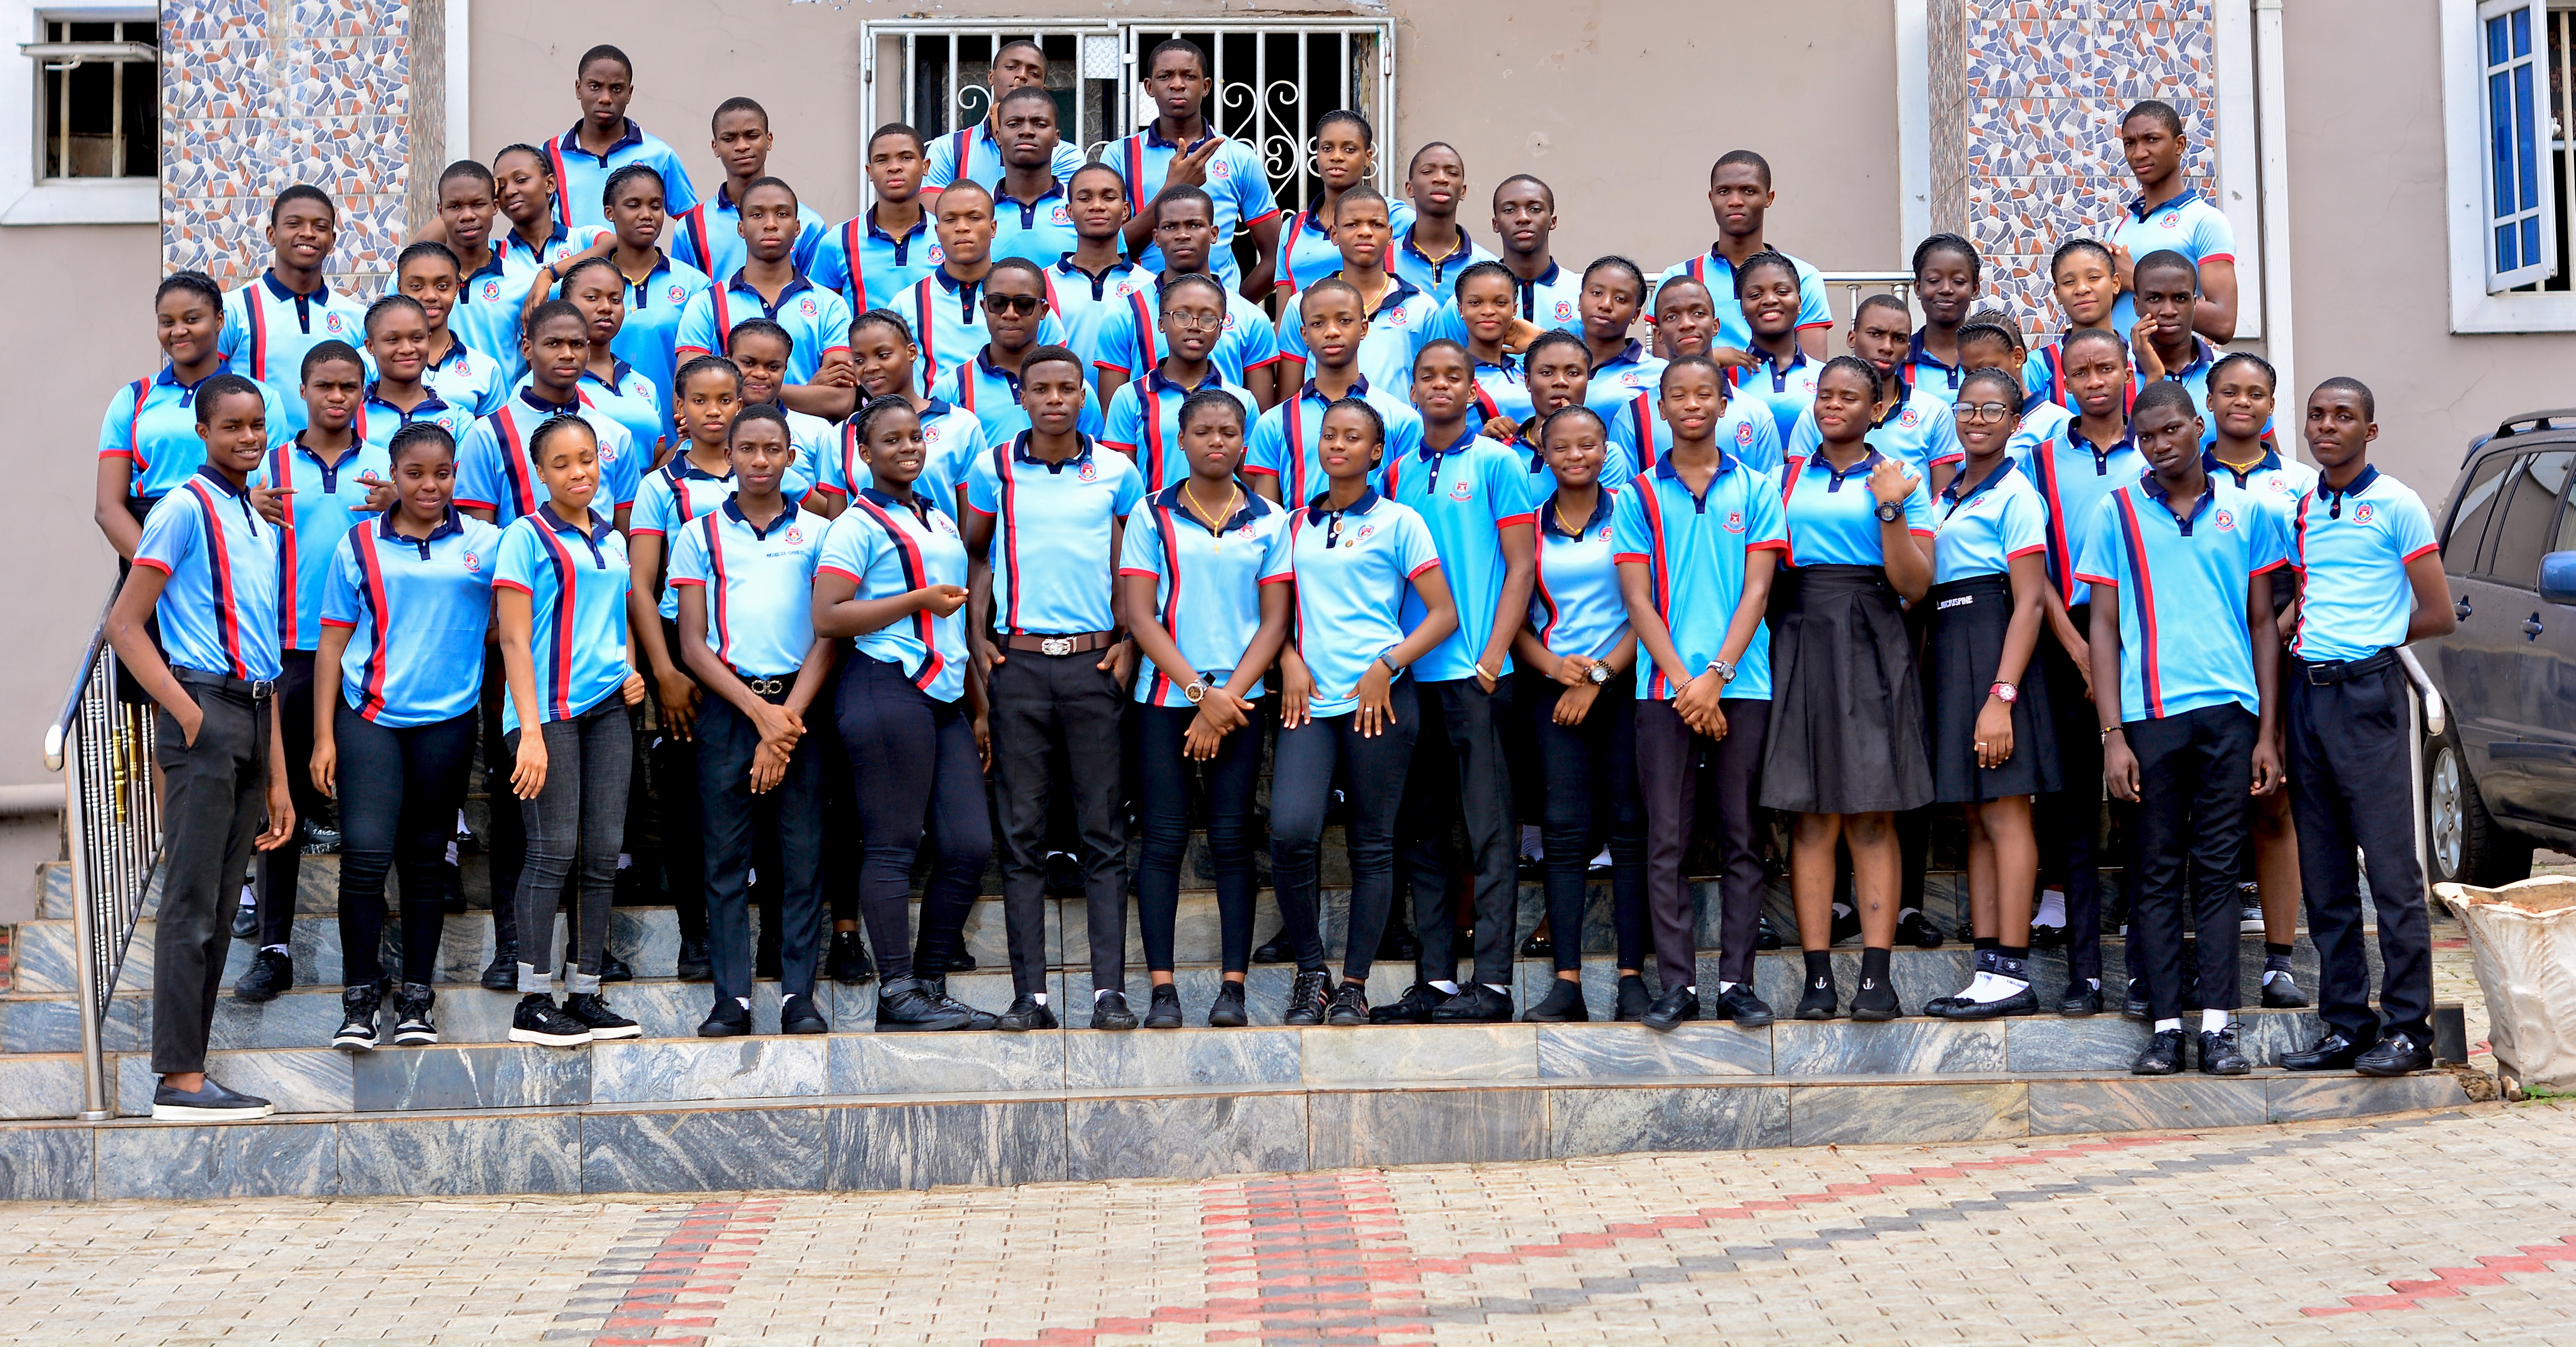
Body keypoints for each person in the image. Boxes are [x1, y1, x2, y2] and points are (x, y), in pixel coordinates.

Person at [2080, 380, 2284, 1076]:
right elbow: (2102, 627)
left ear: (2199, 426)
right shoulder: (2114, 512)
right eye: (2147, 436)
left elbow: (2264, 622)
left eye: (2172, 430)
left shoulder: (2249, 510)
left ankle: (2219, 1029)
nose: (2161, 445)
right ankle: (2167, 1028)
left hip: (2231, 715)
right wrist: (2112, 735)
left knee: (2221, 873)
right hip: (2148, 720)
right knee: (2157, 874)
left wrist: (2267, 732)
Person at [105, 374, 295, 1119]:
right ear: (204, 431)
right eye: (232, 427)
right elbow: (125, 625)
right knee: (190, 903)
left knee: (217, 906)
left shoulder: (253, 516)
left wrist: (279, 778)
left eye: (256, 425)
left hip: (254, 711)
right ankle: (178, 1079)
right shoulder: (183, 508)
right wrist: (188, 716)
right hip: (206, 710)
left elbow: (266, 652)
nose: (248, 438)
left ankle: (193, 1072)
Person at [961, 345, 1145, 1030]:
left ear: (1083, 395)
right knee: (1022, 834)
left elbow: (1136, 562)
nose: (1055, 400)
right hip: (1020, 663)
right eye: (1041, 389)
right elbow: (977, 553)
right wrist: (978, 640)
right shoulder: (995, 468)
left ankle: (1108, 995)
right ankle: (1030, 997)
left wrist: (1129, 643)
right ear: (1022, 395)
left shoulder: (1116, 470)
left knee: (1102, 832)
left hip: (1093, 665)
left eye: (1068, 388)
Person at [2278, 379, 2454, 1078]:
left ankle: (2410, 1030)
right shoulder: (2302, 506)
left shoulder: (2397, 504)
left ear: (2369, 431)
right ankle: (2346, 1025)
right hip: (2307, 695)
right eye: (2317, 416)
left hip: (2369, 695)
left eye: (2343, 417)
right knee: (2325, 875)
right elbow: (2305, 593)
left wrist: (2371, 639)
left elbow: (2438, 612)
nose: (2327, 427)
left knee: (2390, 871)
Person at [311, 423, 502, 1048]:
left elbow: (516, 618)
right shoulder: (359, 543)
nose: (429, 485)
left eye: (442, 473)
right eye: (415, 473)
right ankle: (360, 999)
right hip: (369, 717)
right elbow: (332, 641)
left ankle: (417, 997)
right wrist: (323, 737)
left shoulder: (487, 543)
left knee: (425, 861)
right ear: (393, 475)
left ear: (456, 475)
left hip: (447, 721)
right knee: (366, 856)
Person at [814, 395, 998, 1031]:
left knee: (969, 846)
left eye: (915, 437)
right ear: (864, 453)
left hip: (944, 695)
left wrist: (978, 706)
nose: (908, 448)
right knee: (893, 845)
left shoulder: (937, 516)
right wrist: (916, 598)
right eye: (891, 440)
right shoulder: (855, 524)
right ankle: (897, 991)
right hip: (884, 684)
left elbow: (957, 622)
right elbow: (828, 615)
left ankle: (930, 984)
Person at [1269, 397, 1456, 1024]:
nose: (1338, 445)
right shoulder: (1290, 523)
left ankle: (1353, 985)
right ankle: (1311, 975)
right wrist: (1288, 659)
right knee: (1291, 831)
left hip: (1378, 701)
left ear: (1376, 452)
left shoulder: (1399, 521)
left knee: (1373, 844)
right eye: (1330, 435)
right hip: (1309, 701)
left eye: (1353, 437)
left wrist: (1388, 664)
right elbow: (1275, 615)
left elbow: (1442, 614)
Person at [1617, 355, 1787, 1030]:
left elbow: (1759, 589)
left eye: (1705, 394)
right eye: (1678, 395)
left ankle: (1738, 985)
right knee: (1668, 841)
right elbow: (1637, 601)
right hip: (1663, 690)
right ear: (1660, 408)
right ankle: (1678, 986)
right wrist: (1688, 684)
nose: (1692, 404)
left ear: (1724, 405)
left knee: (1744, 836)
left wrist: (1716, 675)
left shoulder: (1757, 487)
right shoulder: (1637, 495)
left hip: (1742, 683)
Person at [1119, 389, 1295, 1028]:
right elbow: (1140, 616)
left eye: (1228, 432)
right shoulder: (1151, 513)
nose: (1216, 441)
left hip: (1240, 702)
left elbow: (1275, 621)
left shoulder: (1271, 518)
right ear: (1182, 440)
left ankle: (1233, 989)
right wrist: (1201, 695)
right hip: (1166, 699)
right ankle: (1163, 992)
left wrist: (1226, 701)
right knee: (1163, 841)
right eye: (1203, 431)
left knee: (1231, 840)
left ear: (1244, 442)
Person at [1767, 356, 1936, 1022]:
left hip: (1872, 631)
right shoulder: (1784, 477)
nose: (1833, 406)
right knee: (1811, 814)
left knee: (1872, 811)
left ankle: (1876, 977)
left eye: (1849, 397)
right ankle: (1816, 977)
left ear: (1877, 409)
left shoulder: (1901, 476)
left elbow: (1914, 584)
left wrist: (1889, 505)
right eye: (1825, 395)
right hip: (1801, 630)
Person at [1373, 340, 1537, 1023]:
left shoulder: (1498, 462)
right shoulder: (1397, 471)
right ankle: (1437, 980)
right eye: (1427, 377)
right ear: (1412, 391)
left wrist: (1493, 658)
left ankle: (1493, 985)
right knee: (1422, 832)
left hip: (1477, 676)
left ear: (1473, 391)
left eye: (1454, 377)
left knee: (1491, 831)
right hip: (1413, 676)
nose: (1440, 386)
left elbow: (1522, 565)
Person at [668, 404, 836, 1036]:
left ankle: (798, 996)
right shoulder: (700, 534)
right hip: (731, 705)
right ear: (729, 456)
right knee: (725, 857)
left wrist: (784, 721)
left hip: (801, 707)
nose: (760, 461)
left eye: (772, 450)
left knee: (802, 854)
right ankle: (731, 999)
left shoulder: (819, 532)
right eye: (748, 449)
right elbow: (691, 645)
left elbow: (829, 633)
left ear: (791, 457)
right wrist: (760, 715)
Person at [230, 341, 382, 1003]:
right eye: (325, 385)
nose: (337, 397)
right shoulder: (267, 465)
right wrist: (249, 505)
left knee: (373, 813)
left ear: (363, 391)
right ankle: (275, 948)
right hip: (289, 651)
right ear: (303, 390)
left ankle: (374, 958)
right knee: (281, 803)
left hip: (369, 655)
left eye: (349, 386)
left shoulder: (386, 464)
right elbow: (223, 535)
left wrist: (399, 505)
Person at [492, 414, 649, 1047]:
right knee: (552, 850)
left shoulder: (611, 537)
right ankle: (533, 1001)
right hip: (547, 714)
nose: (578, 472)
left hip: (608, 710)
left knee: (602, 853)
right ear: (540, 473)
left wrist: (630, 668)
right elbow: (513, 639)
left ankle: (585, 993)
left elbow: (617, 615)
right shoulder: (524, 536)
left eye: (586, 459)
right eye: (561, 463)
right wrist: (529, 732)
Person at [1922, 366, 2059, 1020]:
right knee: (1976, 815)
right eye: (1967, 409)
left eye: (1992, 410)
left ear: (2015, 421)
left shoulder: (2017, 494)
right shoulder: (1947, 491)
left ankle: (2014, 970)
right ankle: (1986, 969)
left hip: (1994, 643)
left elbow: (2029, 600)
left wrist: (2002, 694)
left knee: (2006, 812)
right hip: (1950, 645)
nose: (1977, 420)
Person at [2016, 326, 2145, 1013]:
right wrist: (2077, 650)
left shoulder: (2156, 449)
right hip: (2065, 641)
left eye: (2106, 369)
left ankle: (2148, 971)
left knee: (2144, 811)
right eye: (2081, 372)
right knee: (2071, 815)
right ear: (2063, 381)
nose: (2095, 382)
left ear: (2127, 372)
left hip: (2144, 646)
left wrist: (2118, 654)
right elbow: (2032, 568)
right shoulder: (2038, 459)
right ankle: (2084, 974)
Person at [1510, 405, 1642, 1023]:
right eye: (1561, 446)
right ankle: (1567, 984)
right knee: (1562, 832)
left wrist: (1598, 678)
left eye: (1587, 445)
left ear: (1605, 449)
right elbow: (1513, 619)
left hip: (1623, 685)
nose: (1575, 456)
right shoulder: (1528, 526)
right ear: (1543, 452)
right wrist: (1551, 666)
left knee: (1628, 828)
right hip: (1553, 692)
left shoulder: (1633, 513)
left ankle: (1632, 979)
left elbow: (1651, 609)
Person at [629, 355, 754, 980]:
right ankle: (694, 935)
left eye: (725, 399)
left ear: (741, 404)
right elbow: (640, 586)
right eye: (699, 400)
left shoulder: (766, 471)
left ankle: (767, 934)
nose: (713, 411)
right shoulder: (662, 487)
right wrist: (665, 672)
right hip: (685, 651)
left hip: (755, 648)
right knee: (686, 798)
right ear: (678, 407)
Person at [2198, 351, 2314, 1003]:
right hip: (2204, 659)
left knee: (2274, 804)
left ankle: (2279, 961)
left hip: (2279, 649)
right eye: (2229, 391)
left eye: (2256, 393)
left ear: (2272, 404)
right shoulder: (2180, 475)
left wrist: (2278, 628)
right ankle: (2195, 957)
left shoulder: (2298, 482)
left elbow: (2313, 567)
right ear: (2208, 400)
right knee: (2200, 810)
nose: (2241, 402)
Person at [98, 274, 292, 563]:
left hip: (234, 553)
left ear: (219, 321)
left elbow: (272, 493)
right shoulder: (132, 399)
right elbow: (108, 508)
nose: (178, 331)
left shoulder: (262, 399)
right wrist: (157, 570)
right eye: (167, 322)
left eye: (192, 319)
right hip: (148, 548)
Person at [673, 177, 857, 419]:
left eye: (782, 214)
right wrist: (804, 390)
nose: (771, 224)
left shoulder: (830, 305)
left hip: (807, 441)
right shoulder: (706, 304)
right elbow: (687, 398)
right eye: (757, 215)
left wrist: (740, 392)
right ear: (741, 228)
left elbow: (841, 401)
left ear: (798, 227)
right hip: (730, 441)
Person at [1112, 37, 1283, 297]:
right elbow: (1110, 252)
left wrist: (1232, 306)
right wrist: (1174, 187)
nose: (1177, 84)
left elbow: (1277, 257)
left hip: (1218, 316)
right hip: (1143, 308)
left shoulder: (1239, 156)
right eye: (1165, 76)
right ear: (1149, 87)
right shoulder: (1120, 155)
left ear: (1205, 87)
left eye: (1189, 76)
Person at [457, 300, 643, 530]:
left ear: (587, 351)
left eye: (576, 345)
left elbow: (625, 536)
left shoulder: (616, 435)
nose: (567, 354)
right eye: (553, 344)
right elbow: (478, 534)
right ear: (527, 349)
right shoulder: (489, 433)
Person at [1093, 185, 1283, 409]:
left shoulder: (1251, 318)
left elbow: (1259, 420)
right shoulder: (1123, 314)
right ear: (1156, 238)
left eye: (1194, 225)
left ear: (1214, 234)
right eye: (1170, 227)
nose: (1182, 235)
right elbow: (1113, 416)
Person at [1244, 275, 1425, 499]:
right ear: (1304, 335)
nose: (1332, 331)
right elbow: (1268, 514)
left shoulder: (1402, 419)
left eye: (1345, 320)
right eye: (1318, 323)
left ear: (1364, 329)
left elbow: (1410, 503)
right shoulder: (1274, 423)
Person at [888, 179, 1070, 389]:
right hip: (934, 410)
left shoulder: (1027, 303)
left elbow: (1060, 372)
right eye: (950, 220)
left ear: (993, 228)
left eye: (974, 218)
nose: (962, 228)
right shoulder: (907, 303)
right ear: (937, 232)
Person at [808, 309, 984, 522]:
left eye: (883, 355)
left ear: (912, 353)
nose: (870, 367)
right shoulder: (842, 435)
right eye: (860, 360)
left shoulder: (961, 425)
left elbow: (971, 529)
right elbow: (838, 525)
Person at [1653, 151, 1832, 356]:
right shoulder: (1677, 277)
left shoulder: (1804, 276)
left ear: (1769, 198)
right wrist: (1715, 359)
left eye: (1748, 191)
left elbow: (1811, 370)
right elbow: (1668, 368)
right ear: (1712, 198)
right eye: (1724, 192)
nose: (1735, 201)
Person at [221, 185, 365, 435]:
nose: (308, 233)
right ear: (272, 235)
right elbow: (210, 391)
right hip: (260, 456)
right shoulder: (234, 308)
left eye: (320, 227)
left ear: (332, 241)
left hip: (336, 456)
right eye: (294, 224)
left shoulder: (357, 317)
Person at [589, 165, 715, 445]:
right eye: (633, 205)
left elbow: (706, 369)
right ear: (610, 212)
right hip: (595, 440)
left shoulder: (696, 285)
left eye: (656, 206)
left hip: (674, 440)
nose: (647, 214)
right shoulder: (583, 286)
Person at [1787, 294, 1963, 495]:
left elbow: (1942, 502)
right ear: (1852, 338)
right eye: (1876, 334)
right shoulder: (1817, 414)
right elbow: (1797, 490)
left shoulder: (1934, 412)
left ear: (1908, 350)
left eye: (1898, 339)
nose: (1887, 347)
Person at [1100, 273, 1262, 491]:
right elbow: (1121, 485)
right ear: (1161, 323)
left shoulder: (1242, 400)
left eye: (1208, 318)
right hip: (1153, 513)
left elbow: (1251, 487)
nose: (1195, 326)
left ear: (1220, 330)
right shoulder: (1130, 397)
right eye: (1182, 315)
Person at [929, 258, 1106, 445]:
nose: (1010, 314)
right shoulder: (952, 388)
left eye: (1024, 304)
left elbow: (1094, 456)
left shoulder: (1072, 388)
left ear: (1044, 311)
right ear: (984, 308)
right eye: (998, 303)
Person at [1275, 186, 1437, 392]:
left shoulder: (1422, 307)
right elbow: (1289, 399)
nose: (1365, 232)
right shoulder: (1302, 304)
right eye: (1352, 225)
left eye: (1376, 224)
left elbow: (1432, 389)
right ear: (1334, 234)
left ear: (1390, 235)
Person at [2106, 99, 2237, 343]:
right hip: (2119, 366)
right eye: (2130, 143)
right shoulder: (2119, 228)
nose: (2139, 153)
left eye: (2152, 139)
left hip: (2168, 366)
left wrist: (2135, 279)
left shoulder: (2206, 221)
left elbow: (2224, 323)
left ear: (2180, 145)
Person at [1627, 276, 1777, 476]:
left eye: (1698, 313)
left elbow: (1770, 490)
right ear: (1659, 334)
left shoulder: (1756, 414)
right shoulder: (1633, 415)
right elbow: (1627, 492)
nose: (1687, 324)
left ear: (1715, 326)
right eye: (1671, 317)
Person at [541, 45, 698, 232]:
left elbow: (692, 226)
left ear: (629, 94)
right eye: (595, 87)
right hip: (573, 253)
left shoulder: (659, 155)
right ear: (578, 89)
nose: (606, 98)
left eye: (616, 89)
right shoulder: (548, 155)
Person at [531, 255, 672, 464]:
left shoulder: (644, 385)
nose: (606, 307)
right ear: (566, 304)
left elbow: (657, 464)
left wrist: (688, 439)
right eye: (592, 297)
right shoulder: (542, 382)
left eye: (615, 300)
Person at [2129, 248, 2272, 449]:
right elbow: (2122, 454)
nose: (2169, 311)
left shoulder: (2229, 372)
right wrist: (2153, 377)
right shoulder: (2116, 371)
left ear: (2195, 304)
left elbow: (2269, 458)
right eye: (2155, 299)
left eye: (2180, 298)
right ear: (2137, 305)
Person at [672, 97, 827, 280]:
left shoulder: (808, 224)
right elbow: (684, 292)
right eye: (729, 139)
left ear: (769, 140)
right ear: (715, 147)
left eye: (752, 136)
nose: (742, 146)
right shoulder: (690, 227)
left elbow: (816, 294)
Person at [1270, 110, 1413, 300]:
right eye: (1327, 148)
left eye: (1349, 149)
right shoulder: (1293, 228)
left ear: (1368, 157)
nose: (1337, 157)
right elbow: (1284, 311)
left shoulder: (1393, 216)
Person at [1426, 175, 1580, 344]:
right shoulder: (1466, 300)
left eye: (1535, 209)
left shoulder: (1580, 293)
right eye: (1509, 210)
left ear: (1553, 221)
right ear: (1495, 224)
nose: (1523, 218)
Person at [921, 40, 1087, 194]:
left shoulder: (1066, 155)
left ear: (1043, 89)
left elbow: (1053, 208)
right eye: (1011, 67)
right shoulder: (949, 148)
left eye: (1034, 73)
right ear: (991, 76)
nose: (1022, 75)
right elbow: (933, 207)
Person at [814, 124, 941, 316]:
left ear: (925, 166)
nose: (894, 167)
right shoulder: (838, 241)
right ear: (870, 171)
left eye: (906, 158)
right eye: (882, 160)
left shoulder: (946, 236)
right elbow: (821, 315)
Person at [1048, 164, 1154, 385]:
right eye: (1085, 199)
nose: (1097, 206)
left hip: (1129, 406)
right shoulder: (1044, 283)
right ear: (1069, 211)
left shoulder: (1149, 286)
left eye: (1108, 198)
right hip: (1061, 404)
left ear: (1125, 210)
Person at [430, 160, 525, 386]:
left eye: (478, 205)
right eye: (455, 207)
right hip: (430, 405)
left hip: (500, 405)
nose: (467, 216)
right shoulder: (411, 282)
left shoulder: (522, 283)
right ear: (441, 211)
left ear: (495, 207)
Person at [392, 240, 510, 419]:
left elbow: (491, 434)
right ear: (400, 289)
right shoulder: (373, 364)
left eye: (442, 286)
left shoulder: (486, 370)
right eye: (417, 287)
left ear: (456, 288)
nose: (431, 296)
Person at [1727, 250, 1822, 449]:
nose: (1770, 300)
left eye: (1782, 292)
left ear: (1800, 303)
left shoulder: (1826, 375)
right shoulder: (1726, 376)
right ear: (1742, 309)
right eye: (1756, 295)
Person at [360, 297, 478, 454]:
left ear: (428, 340)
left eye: (417, 338)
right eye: (393, 340)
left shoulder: (459, 419)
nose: (407, 349)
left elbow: (467, 470)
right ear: (370, 347)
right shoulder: (352, 418)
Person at [2023, 239, 2128, 415]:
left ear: (2116, 284)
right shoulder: (2039, 365)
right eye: (2069, 282)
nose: (2082, 289)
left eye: (2094, 278)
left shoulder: (2141, 358)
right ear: (2057, 294)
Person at [987, 88, 1080, 268]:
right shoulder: (977, 212)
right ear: (998, 136)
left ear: (1057, 138)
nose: (1027, 131)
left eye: (1040, 124)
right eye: (1014, 124)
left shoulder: (1085, 209)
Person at [1390, 142, 1493, 304]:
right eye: (1427, 172)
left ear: (1463, 191)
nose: (1441, 179)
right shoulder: (1383, 260)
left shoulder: (1488, 266)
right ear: (1410, 188)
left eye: (1452, 173)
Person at [1573, 256, 1664, 423]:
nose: (1606, 305)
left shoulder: (1659, 373)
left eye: (1621, 299)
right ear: (1580, 301)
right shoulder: (1552, 362)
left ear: (1636, 315)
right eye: (1597, 293)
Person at [1903, 234, 1982, 395]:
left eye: (1959, 281)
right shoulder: (1900, 361)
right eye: (1934, 281)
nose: (1946, 289)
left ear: (1975, 290)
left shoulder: (1991, 359)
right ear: (1918, 288)